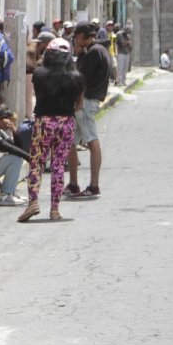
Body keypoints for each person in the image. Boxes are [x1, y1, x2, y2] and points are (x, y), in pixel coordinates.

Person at [19, 38, 83, 222]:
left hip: (43, 122)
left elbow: (38, 96)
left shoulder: (39, 74)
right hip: (66, 123)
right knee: (58, 166)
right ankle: (55, 209)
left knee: (37, 163)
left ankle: (33, 202)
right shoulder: (76, 77)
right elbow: (79, 105)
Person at [66, 22, 108, 199]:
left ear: (83, 35)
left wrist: (78, 102)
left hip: (86, 102)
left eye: (76, 36)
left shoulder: (93, 52)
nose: (75, 39)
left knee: (91, 140)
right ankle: (74, 184)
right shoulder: (95, 51)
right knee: (70, 142)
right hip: (84, 102)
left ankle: (93, 186)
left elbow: (80, 79)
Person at [0, 107, 28, 206]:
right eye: (7, 118)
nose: (10, 121)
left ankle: (10, 193)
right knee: (15, 158)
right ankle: (5, 195)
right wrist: (30, 158)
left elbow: (17, 148)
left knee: (17, 157)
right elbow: (10, 148)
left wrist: (15, 132)